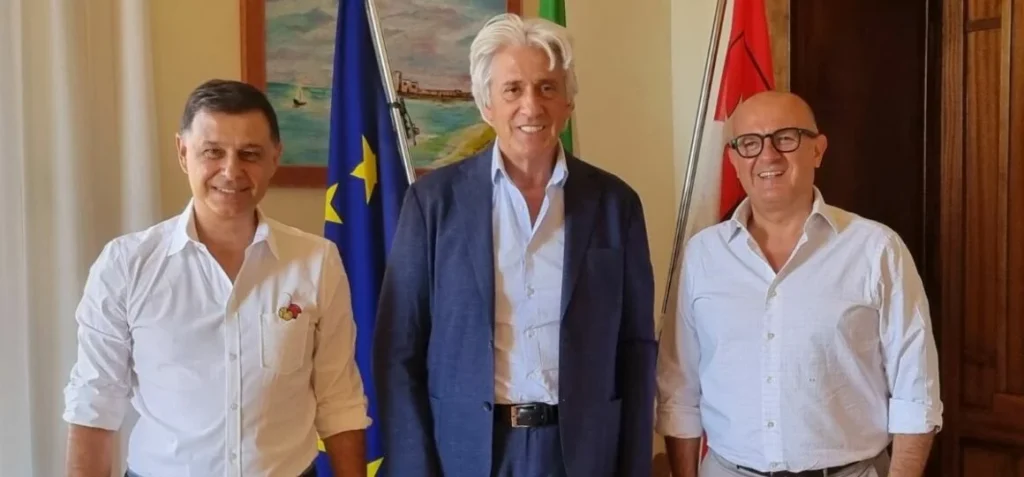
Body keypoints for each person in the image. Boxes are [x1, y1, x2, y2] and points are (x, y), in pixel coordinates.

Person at [372, 13, 657, 477]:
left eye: (547, 88)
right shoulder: (433, 203)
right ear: (486, 105)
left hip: (581, 454)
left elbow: (636, 348)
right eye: (513, 89)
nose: (531, 106)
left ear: (568, 102)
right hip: (466, 454)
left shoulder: (615, 204)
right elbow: (398, 349)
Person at [62, 79, 370, 477]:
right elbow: (95, 402)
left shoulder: (317, 262)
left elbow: (339, 400)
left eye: (250, 154)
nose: (231, 171)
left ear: (275, 157)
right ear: (183, 152)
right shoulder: (125, 264)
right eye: (213, 152)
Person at [656, 91, 943, 477]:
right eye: (750, 143)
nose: (768, 155)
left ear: (818, 150)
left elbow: (916, 391)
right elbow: (679, 390)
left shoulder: (877, 250)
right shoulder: (702, 256)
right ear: (734, 160)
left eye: (786, 138)